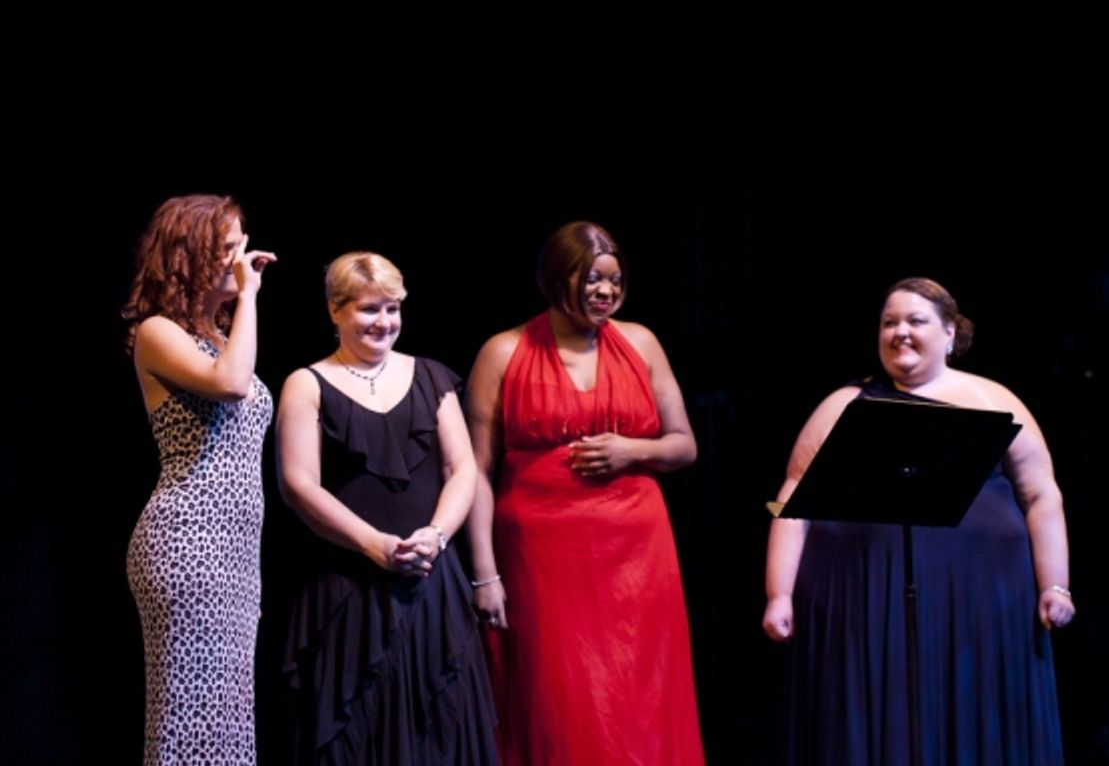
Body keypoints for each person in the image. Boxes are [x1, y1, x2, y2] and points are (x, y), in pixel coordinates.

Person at [762, 276, 1075, 765]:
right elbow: (792, 502)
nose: (899, 332)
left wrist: (1056, 586)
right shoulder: (845, 404)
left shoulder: (995, 400)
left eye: (916, 321)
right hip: (868, 604)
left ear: (950, 333)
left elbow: (1041, 496)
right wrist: (778, 593)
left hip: (980, 610)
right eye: (889, 322)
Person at [466, 221, 705, 765]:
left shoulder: (641, 342)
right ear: (557, 278)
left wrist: (632, 451)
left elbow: (685, 445)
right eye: (593, 279)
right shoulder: (503, 352)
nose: (606, 291)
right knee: (558, 696)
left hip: (637, 559)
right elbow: (475, 472)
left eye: (615, 281)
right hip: (542, 559)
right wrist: (485, 573)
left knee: (638, 692)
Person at [275, 251, 498, 764]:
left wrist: (437, 536)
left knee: (439, 732)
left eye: (393, 309)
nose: (384, 322)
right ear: (335, 311)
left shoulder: (432, 377)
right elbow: (298, 483)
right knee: (356, 733)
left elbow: (461, 470)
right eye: (369, 309)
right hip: (347, 588)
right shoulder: (306, 384)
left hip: (430, 583)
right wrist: (374, 544)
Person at [122, 194, 277, 764]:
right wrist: (252, 297)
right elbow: (234, 384)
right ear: (190, 257)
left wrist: (237, 311)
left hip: (234, 558)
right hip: (187, 545)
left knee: (228, 723)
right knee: (189, 718)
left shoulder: (218, 335)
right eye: (228, 247)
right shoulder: (157, 332)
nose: (242, 258)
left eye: (242, 243)